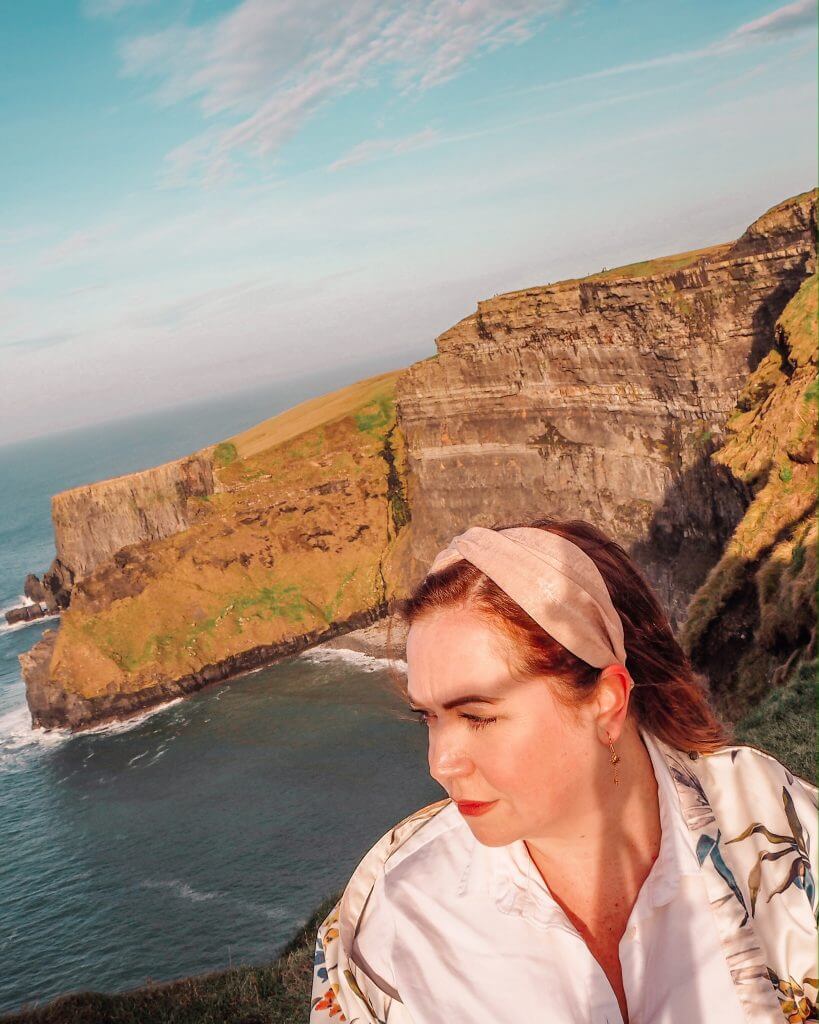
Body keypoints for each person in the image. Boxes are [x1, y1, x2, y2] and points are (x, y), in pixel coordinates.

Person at [309, 518, 818, 1024]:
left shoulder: (769, 814)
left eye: (477, 716)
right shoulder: (395, 921)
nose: (440, 763)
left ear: (607, 700)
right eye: (429, 717)